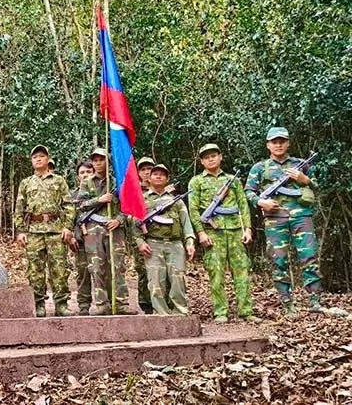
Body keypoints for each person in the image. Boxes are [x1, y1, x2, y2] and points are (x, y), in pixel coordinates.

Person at [245, 127, 323, 316]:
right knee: (278, 259)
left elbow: (317, 187)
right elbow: (248, 192)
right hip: (275, 219)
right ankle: (287, 303)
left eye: (282, 141)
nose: (278, 145)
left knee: (309, 256)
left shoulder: (300, 164)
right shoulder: (260, 168)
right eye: (274, 142)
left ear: (288, 143)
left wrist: (305, 180)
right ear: (268, 145)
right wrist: (261, 202)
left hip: (301, 217)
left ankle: (315, 302)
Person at [188, 144, 261, 323]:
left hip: (236, 230)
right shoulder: (196, 181)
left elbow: (243, 205)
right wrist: (200, 233)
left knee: (242, 270)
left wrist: (248, 229)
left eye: (214, 155)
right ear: (201, 161)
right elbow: (194, 210)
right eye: (206, 157)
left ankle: (246, 311)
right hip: (212, 232)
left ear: (220, 157)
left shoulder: (232, 180)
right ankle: (220, 311)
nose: (210, 159)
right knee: (216, 272)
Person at [14, 145, 74, 317]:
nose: (38, 159)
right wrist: (21, 231)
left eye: (41, 156)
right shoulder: (26, 183)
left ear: (48, 159)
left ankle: (61, 304)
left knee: (59, 269)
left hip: (56, 230)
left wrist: (68, 227)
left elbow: (68, 205)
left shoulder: (59, 180)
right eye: (35, 157)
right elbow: (19, 208)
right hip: (33, 231)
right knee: (35, 271)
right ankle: (38, 304)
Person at [77, 148, 133, 315]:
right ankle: (102, 305)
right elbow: (80, 204)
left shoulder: (117, 182)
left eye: (101, 159)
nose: (98, 163)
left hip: (114, 230)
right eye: (95, 160)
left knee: (118, 266)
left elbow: (128, 206)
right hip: (93, 230)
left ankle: (121, 304)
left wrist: (119, 220)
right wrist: (99, 200)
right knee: (96, 267)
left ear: (108, 161)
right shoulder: (86, 183)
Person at [134, 164, 195, 315]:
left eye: (162, 174)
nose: (159, 176)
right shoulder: (142, 200)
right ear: (149, 178)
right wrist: (140, 242)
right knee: (156, 281)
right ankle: (161, 313)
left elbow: (186, 222)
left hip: (175, 244)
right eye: (155, 174)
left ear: (167, 179)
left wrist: (190, 241)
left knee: (177, 279)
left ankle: (179, 312)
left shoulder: (176, 201)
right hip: (153, 244)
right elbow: (134, 224)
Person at [132, 156, 156, 314]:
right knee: (142, 269)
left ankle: (160, 301)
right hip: (138, 234)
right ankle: (145, 302)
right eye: (143, 169)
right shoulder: (133, 190)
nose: (147, 172)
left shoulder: (162, 188)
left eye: (150, 169)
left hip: (159, 234)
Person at [70, 160, 94, 315]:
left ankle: (107, 304)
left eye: (88, 172)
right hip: (81, 240)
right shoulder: (72, 195)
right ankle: (84, 306)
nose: (85, 175)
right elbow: (68, 217)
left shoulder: (101, 192)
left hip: (100, 238)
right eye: (82, 173)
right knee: (83, 273)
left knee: (103, 272)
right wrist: (71, 236)